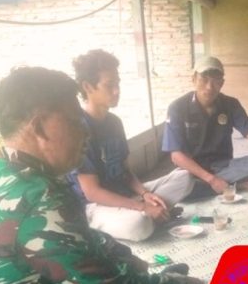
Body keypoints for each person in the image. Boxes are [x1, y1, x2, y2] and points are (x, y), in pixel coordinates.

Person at [0, 67, 205, 284]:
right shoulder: (39, 196)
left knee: (127, 265)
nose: (85, 133)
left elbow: (84, 245)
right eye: (75, 122)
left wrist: (139, 271)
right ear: (39, 128)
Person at [69, 49, 194, 242]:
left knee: (185, 177)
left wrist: (145, 194)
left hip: (126, 195)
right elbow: (92, 192)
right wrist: (142, 207)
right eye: (109, 85)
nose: (117, 91)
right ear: (87, 86)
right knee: (138, 226)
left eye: (117, 83)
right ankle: (149, 217)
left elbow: (126, 172)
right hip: (96, 206)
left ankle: (152, 214)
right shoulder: (79, 129)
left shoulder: (114, 123)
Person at [162, 56, 248, 200]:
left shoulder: (231, 104)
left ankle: (217, 187)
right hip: (193, 169)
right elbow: (176, 156)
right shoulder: (177, 108)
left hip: (223, 165)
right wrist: (211, 179)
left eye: (216, 81)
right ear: (194, 79)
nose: (209, 87)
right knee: (179, 186)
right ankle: (233, 185)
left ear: (222, 83)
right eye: (204, 79)